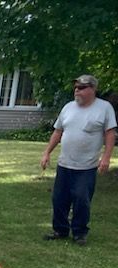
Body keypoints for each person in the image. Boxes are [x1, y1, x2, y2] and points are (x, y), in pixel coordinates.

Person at [41, 74, 116, 245]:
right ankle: (60, 230)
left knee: (82, 199)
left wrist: (106, 157)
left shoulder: (104, 108)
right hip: (65, 163)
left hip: (87, 166)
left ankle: (79, 233)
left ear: (93, 89)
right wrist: (47, 153)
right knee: (59, 198)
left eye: (81, 88)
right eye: (75, 88)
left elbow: (110, 133)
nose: (77, 91)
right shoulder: (68, 107)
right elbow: (58, 132)